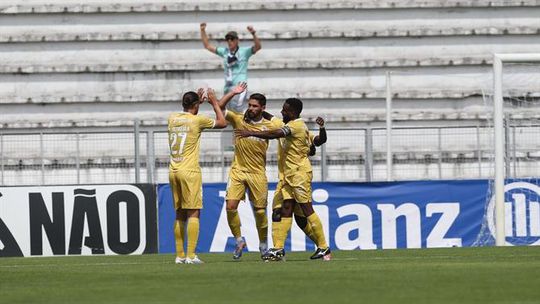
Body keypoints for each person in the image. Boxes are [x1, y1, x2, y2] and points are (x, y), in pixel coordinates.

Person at [236, 98, 331, 261]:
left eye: (285, 110)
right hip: (287, 177)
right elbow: (271, 117)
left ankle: (323, 247)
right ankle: (278, 249)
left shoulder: (297, 126)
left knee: (306, 211)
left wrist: (251, 132)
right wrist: (254, 112)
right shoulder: (287, 123)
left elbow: (277, 134)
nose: (282, 112)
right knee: (279, 210)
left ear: (292, 112)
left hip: (299, 174)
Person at [218, 86, 281, 260]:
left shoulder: (270, 124)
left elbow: (281, 129)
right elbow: (220, 106)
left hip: (257, 173)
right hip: (237, 170)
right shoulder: (239, 119)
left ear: (263, 108)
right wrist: (233, 93)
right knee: (230, 207)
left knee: (260, 212)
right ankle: (239, 240)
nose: (251, 108)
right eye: (250, 105)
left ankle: (263, 245)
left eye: (255, 106)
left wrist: (254, 130)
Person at [168, 87, 227, 264]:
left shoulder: (172, 118)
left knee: (179, 214)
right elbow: (222, 122)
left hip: (173, 171)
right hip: (190, 171)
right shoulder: (197, 120)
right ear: (196, 105)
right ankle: (191, 255)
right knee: (194, 213)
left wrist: (196, 103)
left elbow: (188, 114)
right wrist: (214, 103)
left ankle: (179, 256)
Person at [200, 22, 261, 113]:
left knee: (238, 111)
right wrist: (202, 30)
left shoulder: (244, 52)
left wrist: (253, 34)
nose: (229, 41)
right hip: (228, 87)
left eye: (232, 39)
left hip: (240, 86)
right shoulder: (225, 51)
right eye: (227, 39)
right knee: (229, 112)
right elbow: (207, 46)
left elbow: (258, 47)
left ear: (237, 40)